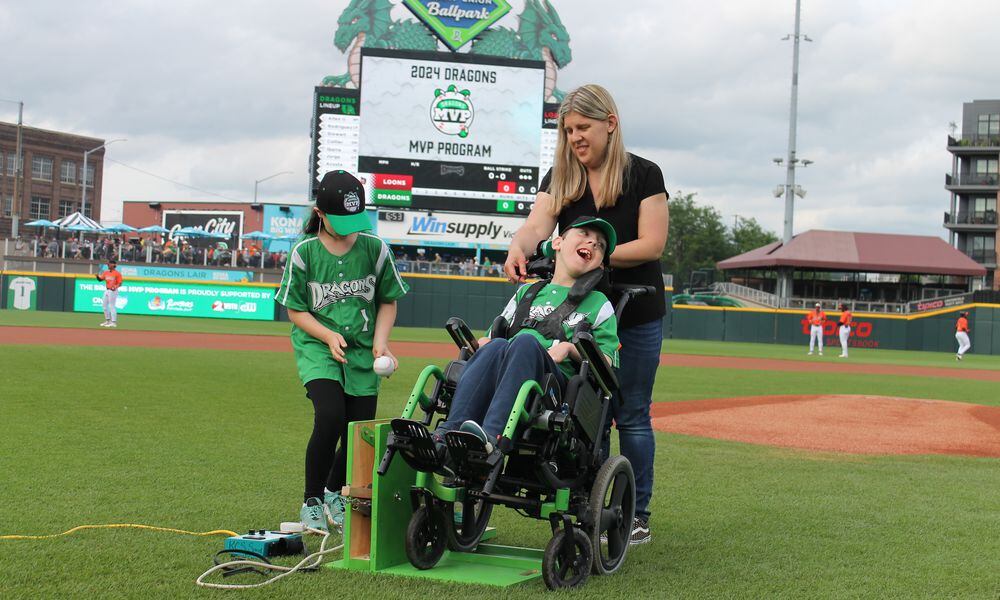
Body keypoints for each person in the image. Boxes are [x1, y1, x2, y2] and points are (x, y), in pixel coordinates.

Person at [503, 84, 669, 545]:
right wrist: (520, 244)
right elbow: (538, 225)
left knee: (631, 413)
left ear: (609, 124)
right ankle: (590, 501)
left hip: (634, 312)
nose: (575, 137)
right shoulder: (561, 177)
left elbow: (653, 243)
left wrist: (596, 256)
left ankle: (636, 511)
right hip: (577, 312)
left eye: (583, 128)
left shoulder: (644, 174)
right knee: (585, 412)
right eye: (568, 129)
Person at [275, 170, 409, 532]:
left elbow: (387, 301)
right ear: (320, 214)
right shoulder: (304, 253)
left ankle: (336, 491)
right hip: (318, 347)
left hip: (363, 350)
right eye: (340, 220)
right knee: (331, 416)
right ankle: (313, 501)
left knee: (357, 430)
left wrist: (381, 341)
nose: (350, 228)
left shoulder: (374, 248)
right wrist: (328, 335)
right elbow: (295, 310)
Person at [436, 217, 619, 453]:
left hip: (552, 387)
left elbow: (606, 363)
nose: (593, 243)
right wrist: (479, 344)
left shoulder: (599, 303)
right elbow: (490, 339)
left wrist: (569, 349)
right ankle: (446, 434)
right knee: (495, 346)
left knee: (525, 342)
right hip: (506, 370)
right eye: (584, 234)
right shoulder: (527, 292)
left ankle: (492, 437)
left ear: (600, 266)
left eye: (601, 245)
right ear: (557, 243)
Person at [96, 258, 123, 328]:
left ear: (114, 265)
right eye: (108, 264)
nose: (108, 265)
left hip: (113, 290)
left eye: (110, 263)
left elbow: (120, 283)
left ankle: (113, 322)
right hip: (107, 290)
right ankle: (107, 321)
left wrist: (115, 287)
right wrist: (97, 276)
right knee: (104, 306)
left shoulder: (117, 273)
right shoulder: (106, 272)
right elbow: (100, 280)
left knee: (111, 306)